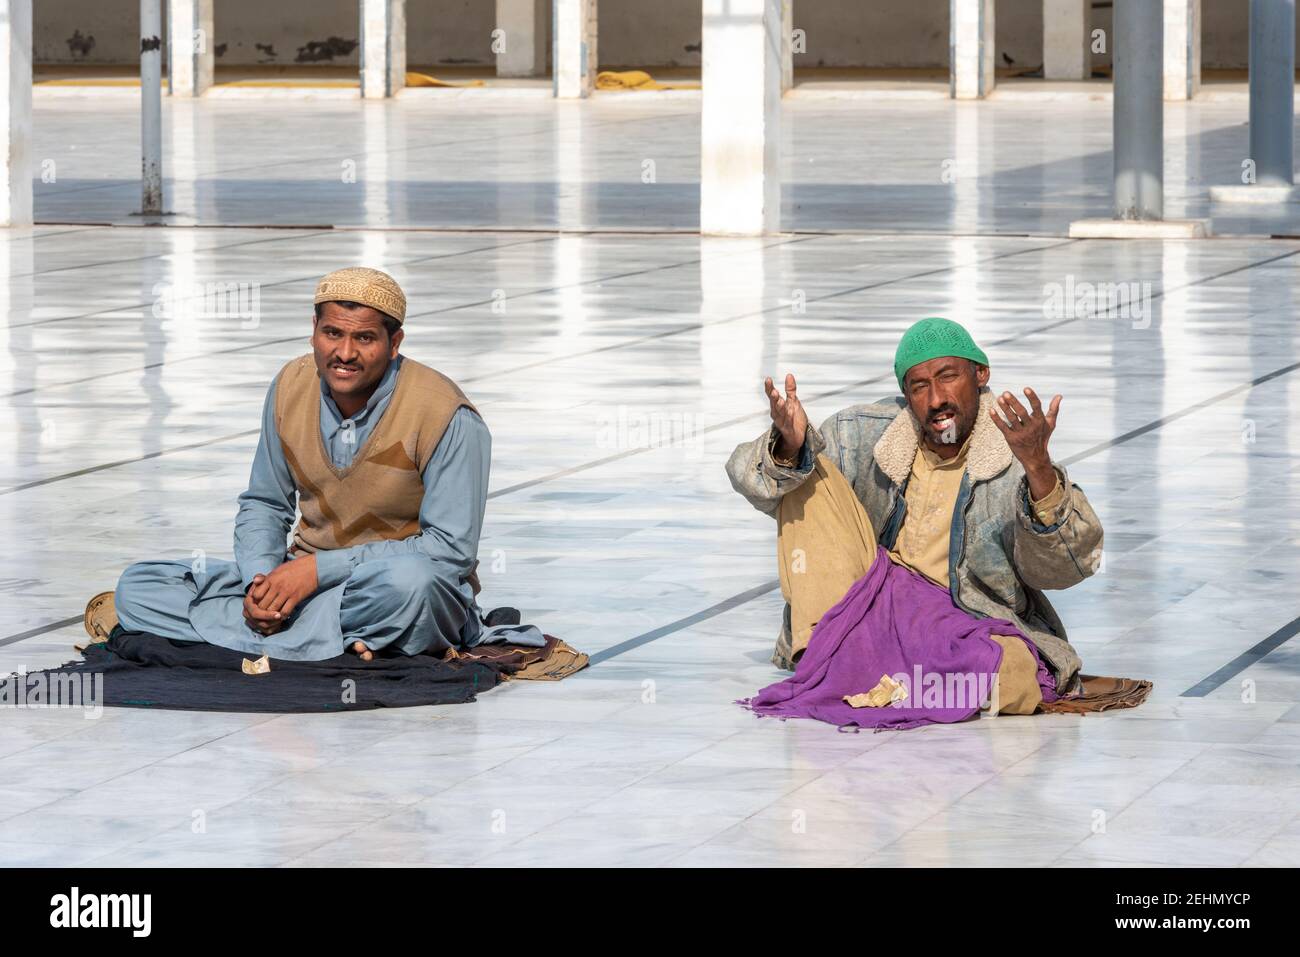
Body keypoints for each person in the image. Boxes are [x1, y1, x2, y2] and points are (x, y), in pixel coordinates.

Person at [103, 266, 540, 662]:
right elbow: (264, 503)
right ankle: (329, 638)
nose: (345, 353)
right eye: (333, 334)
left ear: (394, 343)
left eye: (364, 339)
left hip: (382, 586)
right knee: (140, 586)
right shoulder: (291, 385)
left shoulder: (446, 415)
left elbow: (449, 552)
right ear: (313, 330)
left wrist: (316, 572)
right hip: (298, 582)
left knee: (415, 589)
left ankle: (268, 636)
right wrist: (264, 583)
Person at [725, 316, 1105, 721]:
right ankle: (832, 652)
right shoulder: (859, 433)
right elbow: (748, 478)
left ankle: (867, 673)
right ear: (905, 394)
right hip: (867, 605)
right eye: (919, 386)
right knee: (804, 474)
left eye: (948, 377)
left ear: (980, 374)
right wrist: (789, 445)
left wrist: (1040, 470)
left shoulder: (1018, 456)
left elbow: (1067, 569)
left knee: (1012, 674)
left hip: (963, 622)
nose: (936, 398)